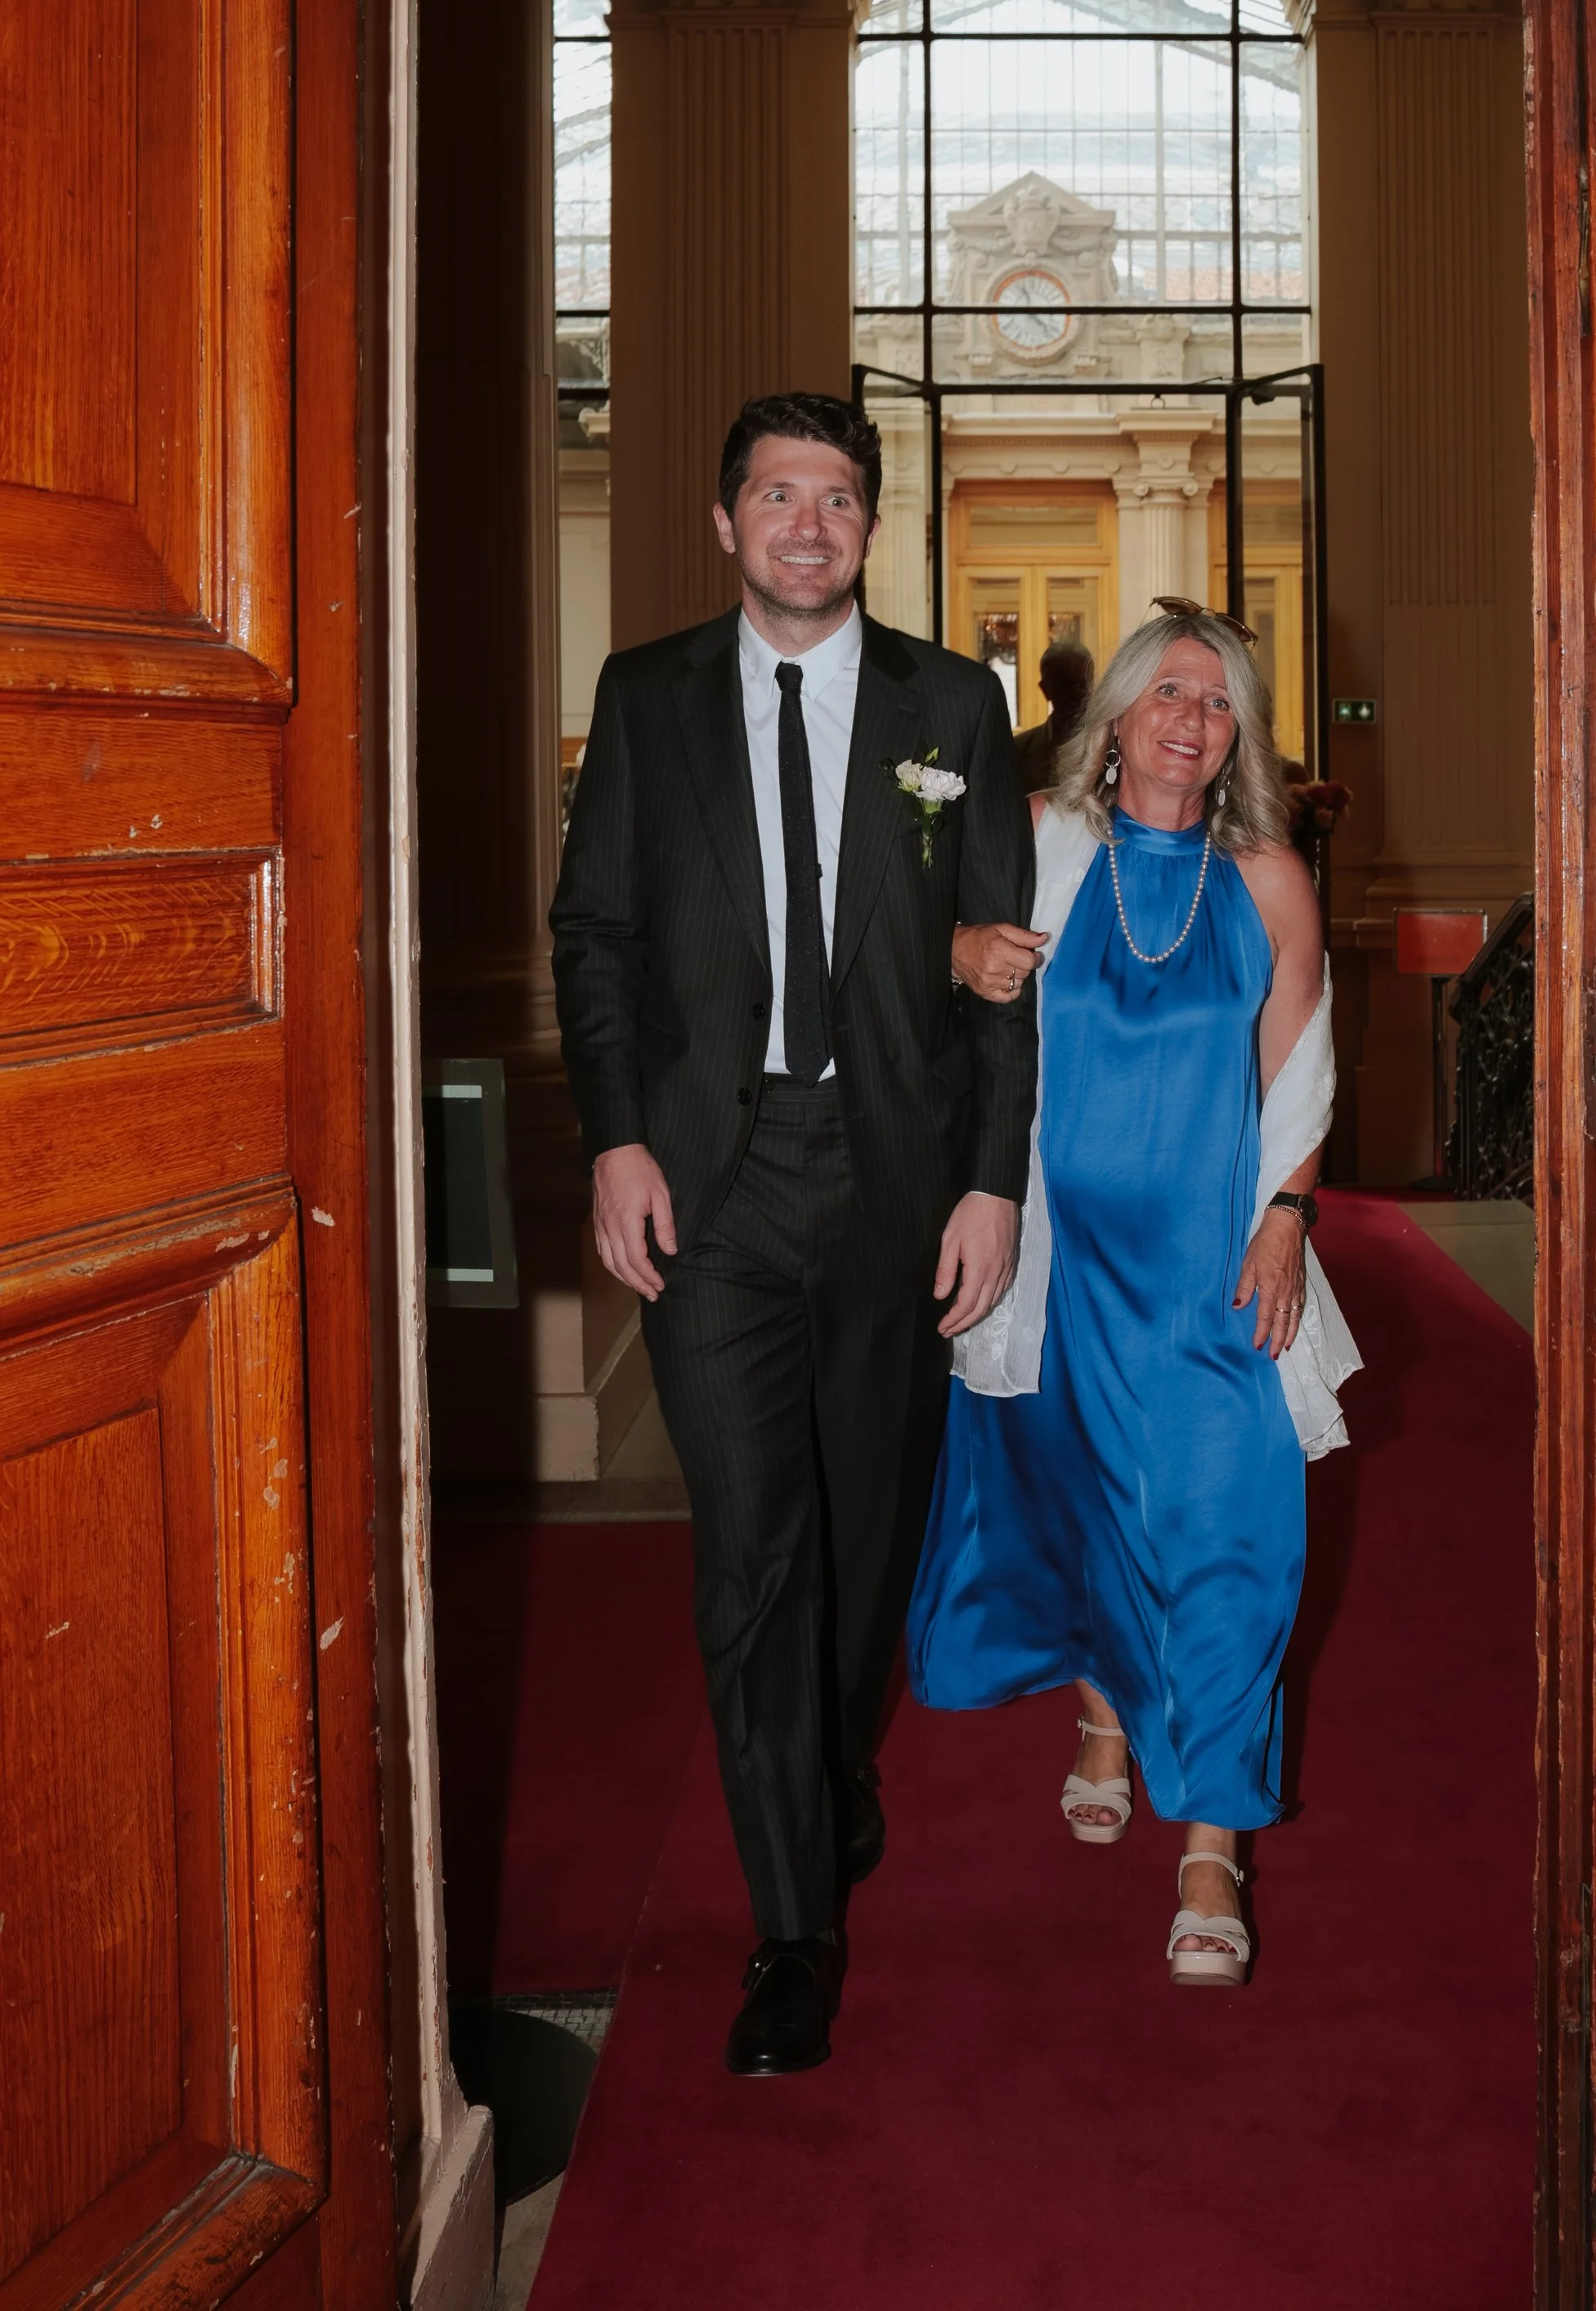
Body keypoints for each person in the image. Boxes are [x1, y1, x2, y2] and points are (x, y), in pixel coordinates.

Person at [550, 392, 1035, 2076]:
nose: (807, 523)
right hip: (712, 1186)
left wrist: (990, 1181)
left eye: (837, 496)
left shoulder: (951, 706)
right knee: (756, 1547)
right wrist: (613, 1138)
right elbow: (595, 936)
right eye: (777, 494)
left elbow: (996, 970)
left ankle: (835, 1755)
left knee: (869, 1521)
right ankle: (792, 1928)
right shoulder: (644, 698)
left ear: (869, 527)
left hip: (896, 1181)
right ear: (722, 519)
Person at [910, 604, 1360, 1985]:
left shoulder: (1270, 877)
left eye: (1218, 702)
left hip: (1214, 1269)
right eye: (1167, 691)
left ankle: (1215, 1845)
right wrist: (954, 953)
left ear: (1238, 739)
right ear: (1114, 714)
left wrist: (1288, 1217)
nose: (1190, 718)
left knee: (1237, 1537)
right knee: (1077, 1503)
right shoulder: (1044, 845)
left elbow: (1301, 1067)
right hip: (1058, 1268)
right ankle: (1105, 1709)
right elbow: (920, 967)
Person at [1011, 640, 1095, 792]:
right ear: (1045, 689)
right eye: (1065, 686)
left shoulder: (1114, 748)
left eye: (1081, 685)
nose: (1074, 695)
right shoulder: (1016, 751)